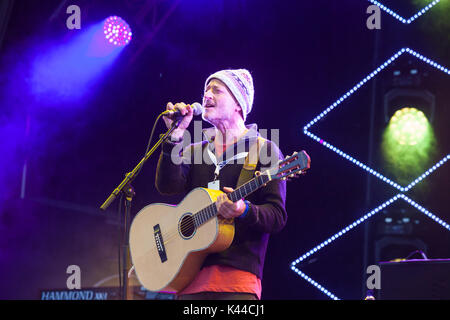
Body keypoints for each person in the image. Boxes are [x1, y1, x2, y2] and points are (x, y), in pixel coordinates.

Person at [155, 69, 287, 300]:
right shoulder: (195, 150)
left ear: (238, 103)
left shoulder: (264, 149)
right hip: (187, 280)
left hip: (237, 285)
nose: (206, 95)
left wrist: (245, 210)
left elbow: (276, 216)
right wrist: (174, 137)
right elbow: (167, 186)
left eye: (217, 90)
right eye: (206, 89)